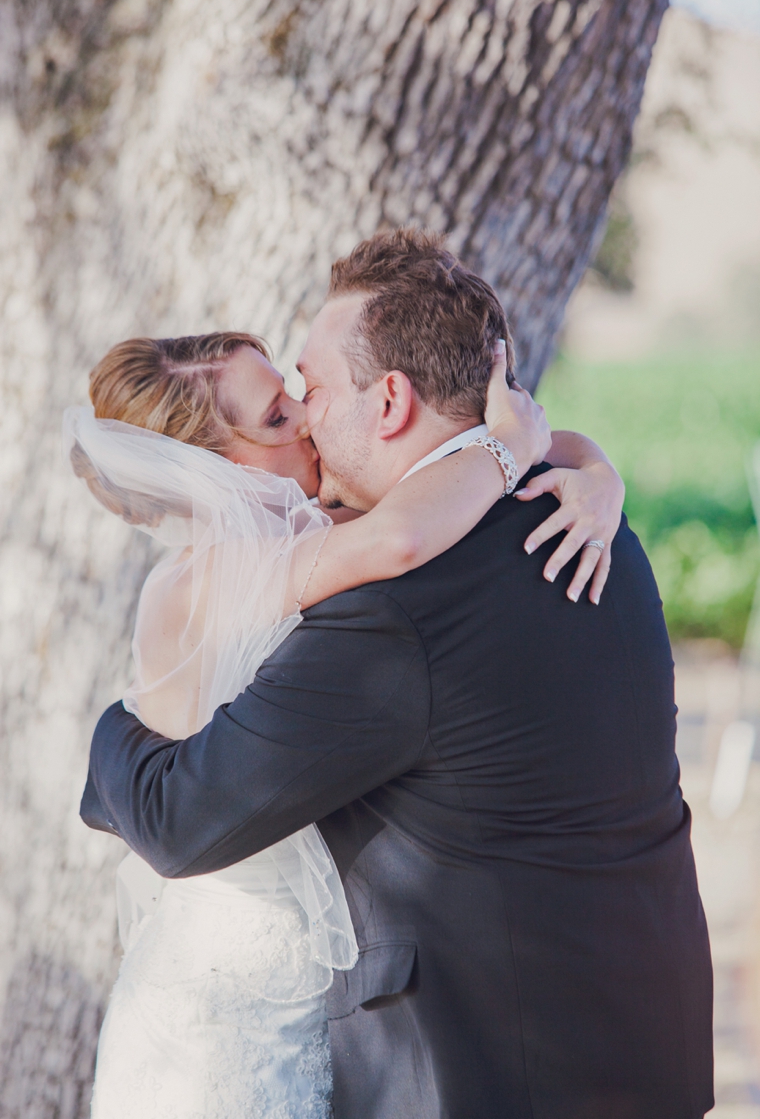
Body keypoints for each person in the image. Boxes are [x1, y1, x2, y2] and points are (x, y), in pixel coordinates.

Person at [81, 228, 713, 1118]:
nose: (304, 415)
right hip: (652, 1049)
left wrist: (108, 734)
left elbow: (185, 821)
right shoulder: (599, 534)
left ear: (387, 402)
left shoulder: (389, 609)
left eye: (311, 388)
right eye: (283, 407)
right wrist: (574, 461)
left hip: (502, 1076)